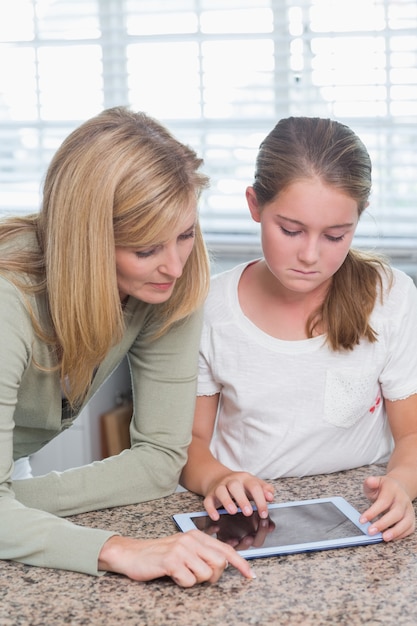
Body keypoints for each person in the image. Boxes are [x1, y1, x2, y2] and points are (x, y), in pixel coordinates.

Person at [0, 106, 255, 587]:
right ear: (88, 242)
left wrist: (13, 503)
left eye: (184, 235)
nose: (175, 266)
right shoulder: (7, 301)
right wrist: (117, 549)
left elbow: (160, 460)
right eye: (145, 250)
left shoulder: (170, 282)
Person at [180, 116, 417, 544]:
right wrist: (218, 477)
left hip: (361, 517)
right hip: (250, 520)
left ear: (358, 219)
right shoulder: (209, 309)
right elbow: (190, 442)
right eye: (290, 230)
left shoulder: (391, 296)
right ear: (254, 205)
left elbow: (412, 433)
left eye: (335, 236)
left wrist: (401, 484)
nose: (310, 255)